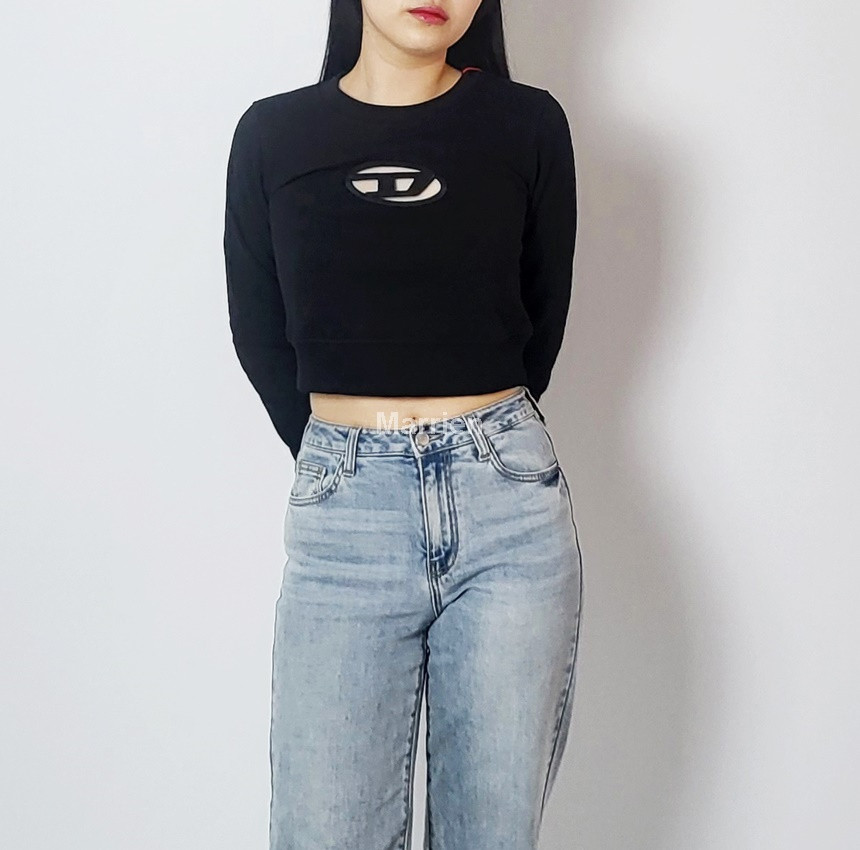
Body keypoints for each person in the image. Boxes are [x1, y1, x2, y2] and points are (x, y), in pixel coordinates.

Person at [222, 1, 583, 847]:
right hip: (345, 525)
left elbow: (538, 323)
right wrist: (346, 459)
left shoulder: (527, 125)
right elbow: (260, 332)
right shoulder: (275, 135)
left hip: (510, 520)